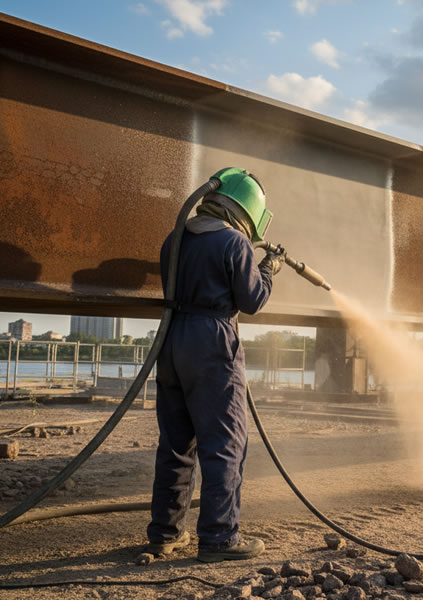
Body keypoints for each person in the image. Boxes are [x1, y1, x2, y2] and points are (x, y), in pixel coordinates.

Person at [146, 167, 283, 562]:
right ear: (247, 213)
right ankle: (220, 537)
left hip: (171, 342)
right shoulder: (234, 243)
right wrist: (268, 268)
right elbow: (252, 300)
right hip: (212, 342)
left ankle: (165, 533)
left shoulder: (175, 238)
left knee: (175, 443)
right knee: (224, 443)